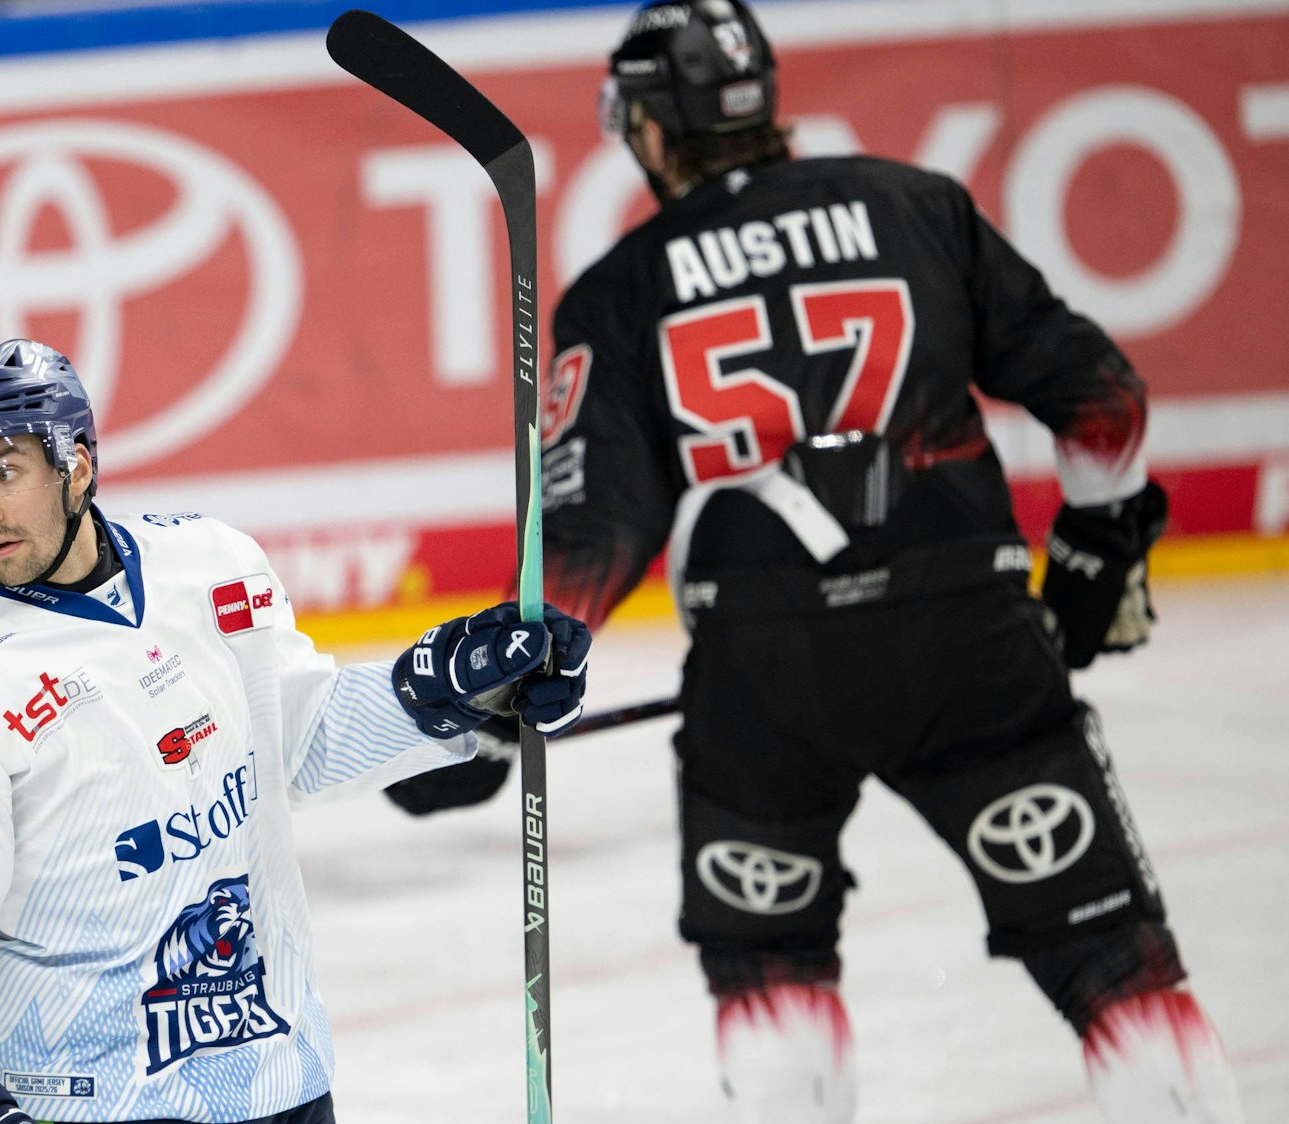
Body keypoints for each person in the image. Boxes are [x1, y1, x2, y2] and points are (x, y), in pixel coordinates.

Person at [387, 2, 1245, 1121]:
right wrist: (1096, 546)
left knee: (772, 974)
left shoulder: (623, 287)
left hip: (767, 677)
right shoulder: (917, 205)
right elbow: (1104, 406)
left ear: (650, 129)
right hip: (972, 642)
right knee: (1113, 964)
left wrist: (490, 696)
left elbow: (591, 535)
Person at [0, 339, 591, 1124]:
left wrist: (450, 687)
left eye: (4, 472)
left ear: (76, 465)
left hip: (277, 1078)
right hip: (91, 1107)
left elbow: (292, 742)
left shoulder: (210, 565)